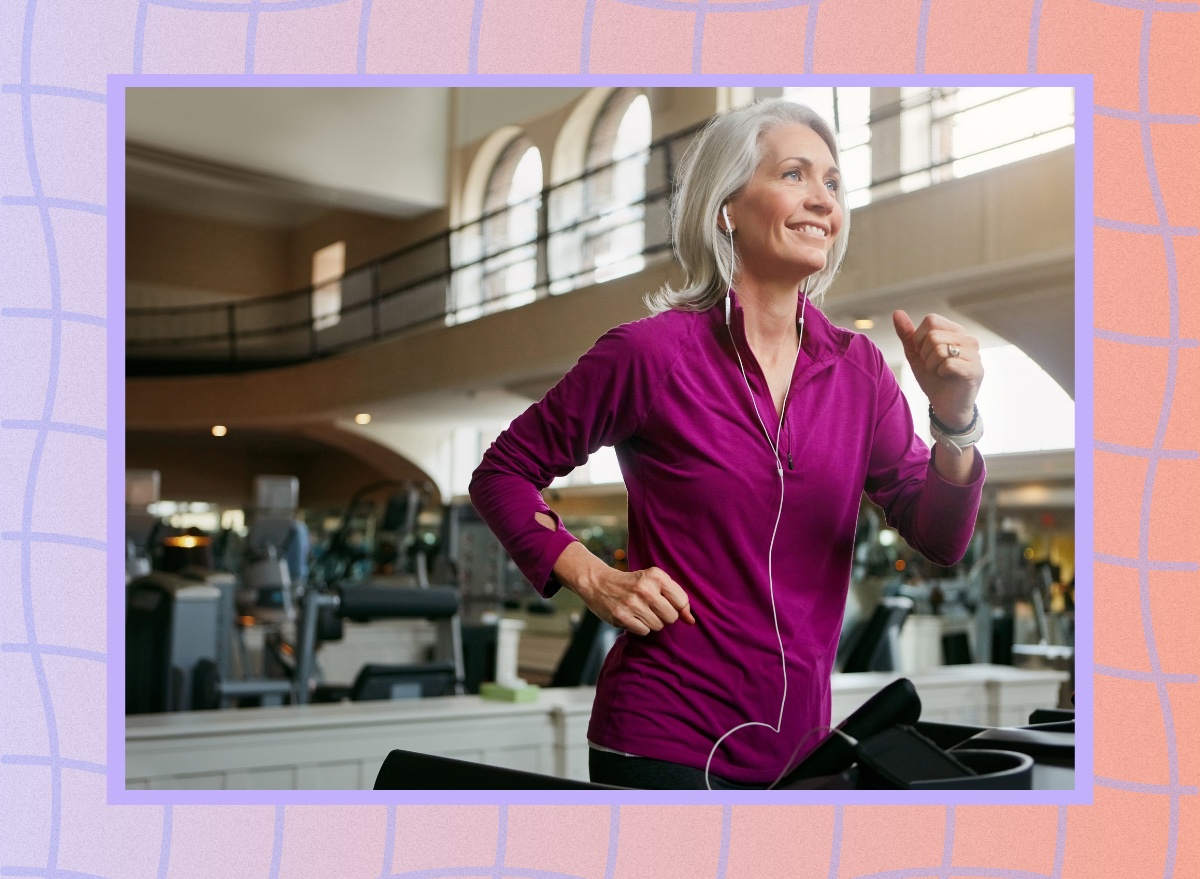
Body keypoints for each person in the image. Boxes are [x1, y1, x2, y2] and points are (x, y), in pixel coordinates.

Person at [469, 98, 985, 789]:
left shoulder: (860, 371)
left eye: (832, 183)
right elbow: (503, 470)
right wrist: (590, 576)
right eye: (795, 174)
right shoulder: (649, 355)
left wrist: (954, 421)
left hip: (801, 751)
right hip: (662, 735)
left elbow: (940, 536)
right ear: (726, 207)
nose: (822, 200)